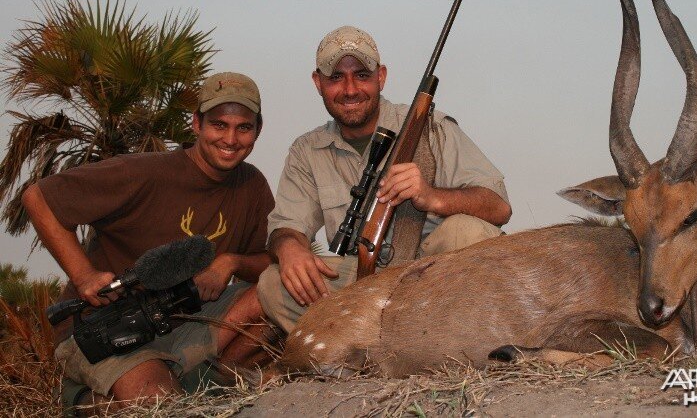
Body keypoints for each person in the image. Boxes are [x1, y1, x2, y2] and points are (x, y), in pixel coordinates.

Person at [22, 72, 274, 408]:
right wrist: (83, 275)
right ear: (196, 124)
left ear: (258, 129)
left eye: (244, 127)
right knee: (161, 407)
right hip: (108, 329)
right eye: (219, 125)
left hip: (186, 322)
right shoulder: (142, 172)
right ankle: (85, 403)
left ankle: (200, 386)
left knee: (281, 292)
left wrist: (230, 262)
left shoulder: (252, 185)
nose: (231, 138)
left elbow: (271, 260)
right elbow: (38, 196)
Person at [257, 25, 511, 333]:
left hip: (435, 277)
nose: (350, 89)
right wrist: (289, 248)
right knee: (273, 283)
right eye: (336, 77)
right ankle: (372, 351)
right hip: (361, 283)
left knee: (467, 232)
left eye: (362, 75)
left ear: (381, 77)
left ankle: (420, 343)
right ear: (317, 83)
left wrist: (432, 196)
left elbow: (499, 208)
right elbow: (288, 226)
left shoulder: (433, 127)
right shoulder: (307, 150)